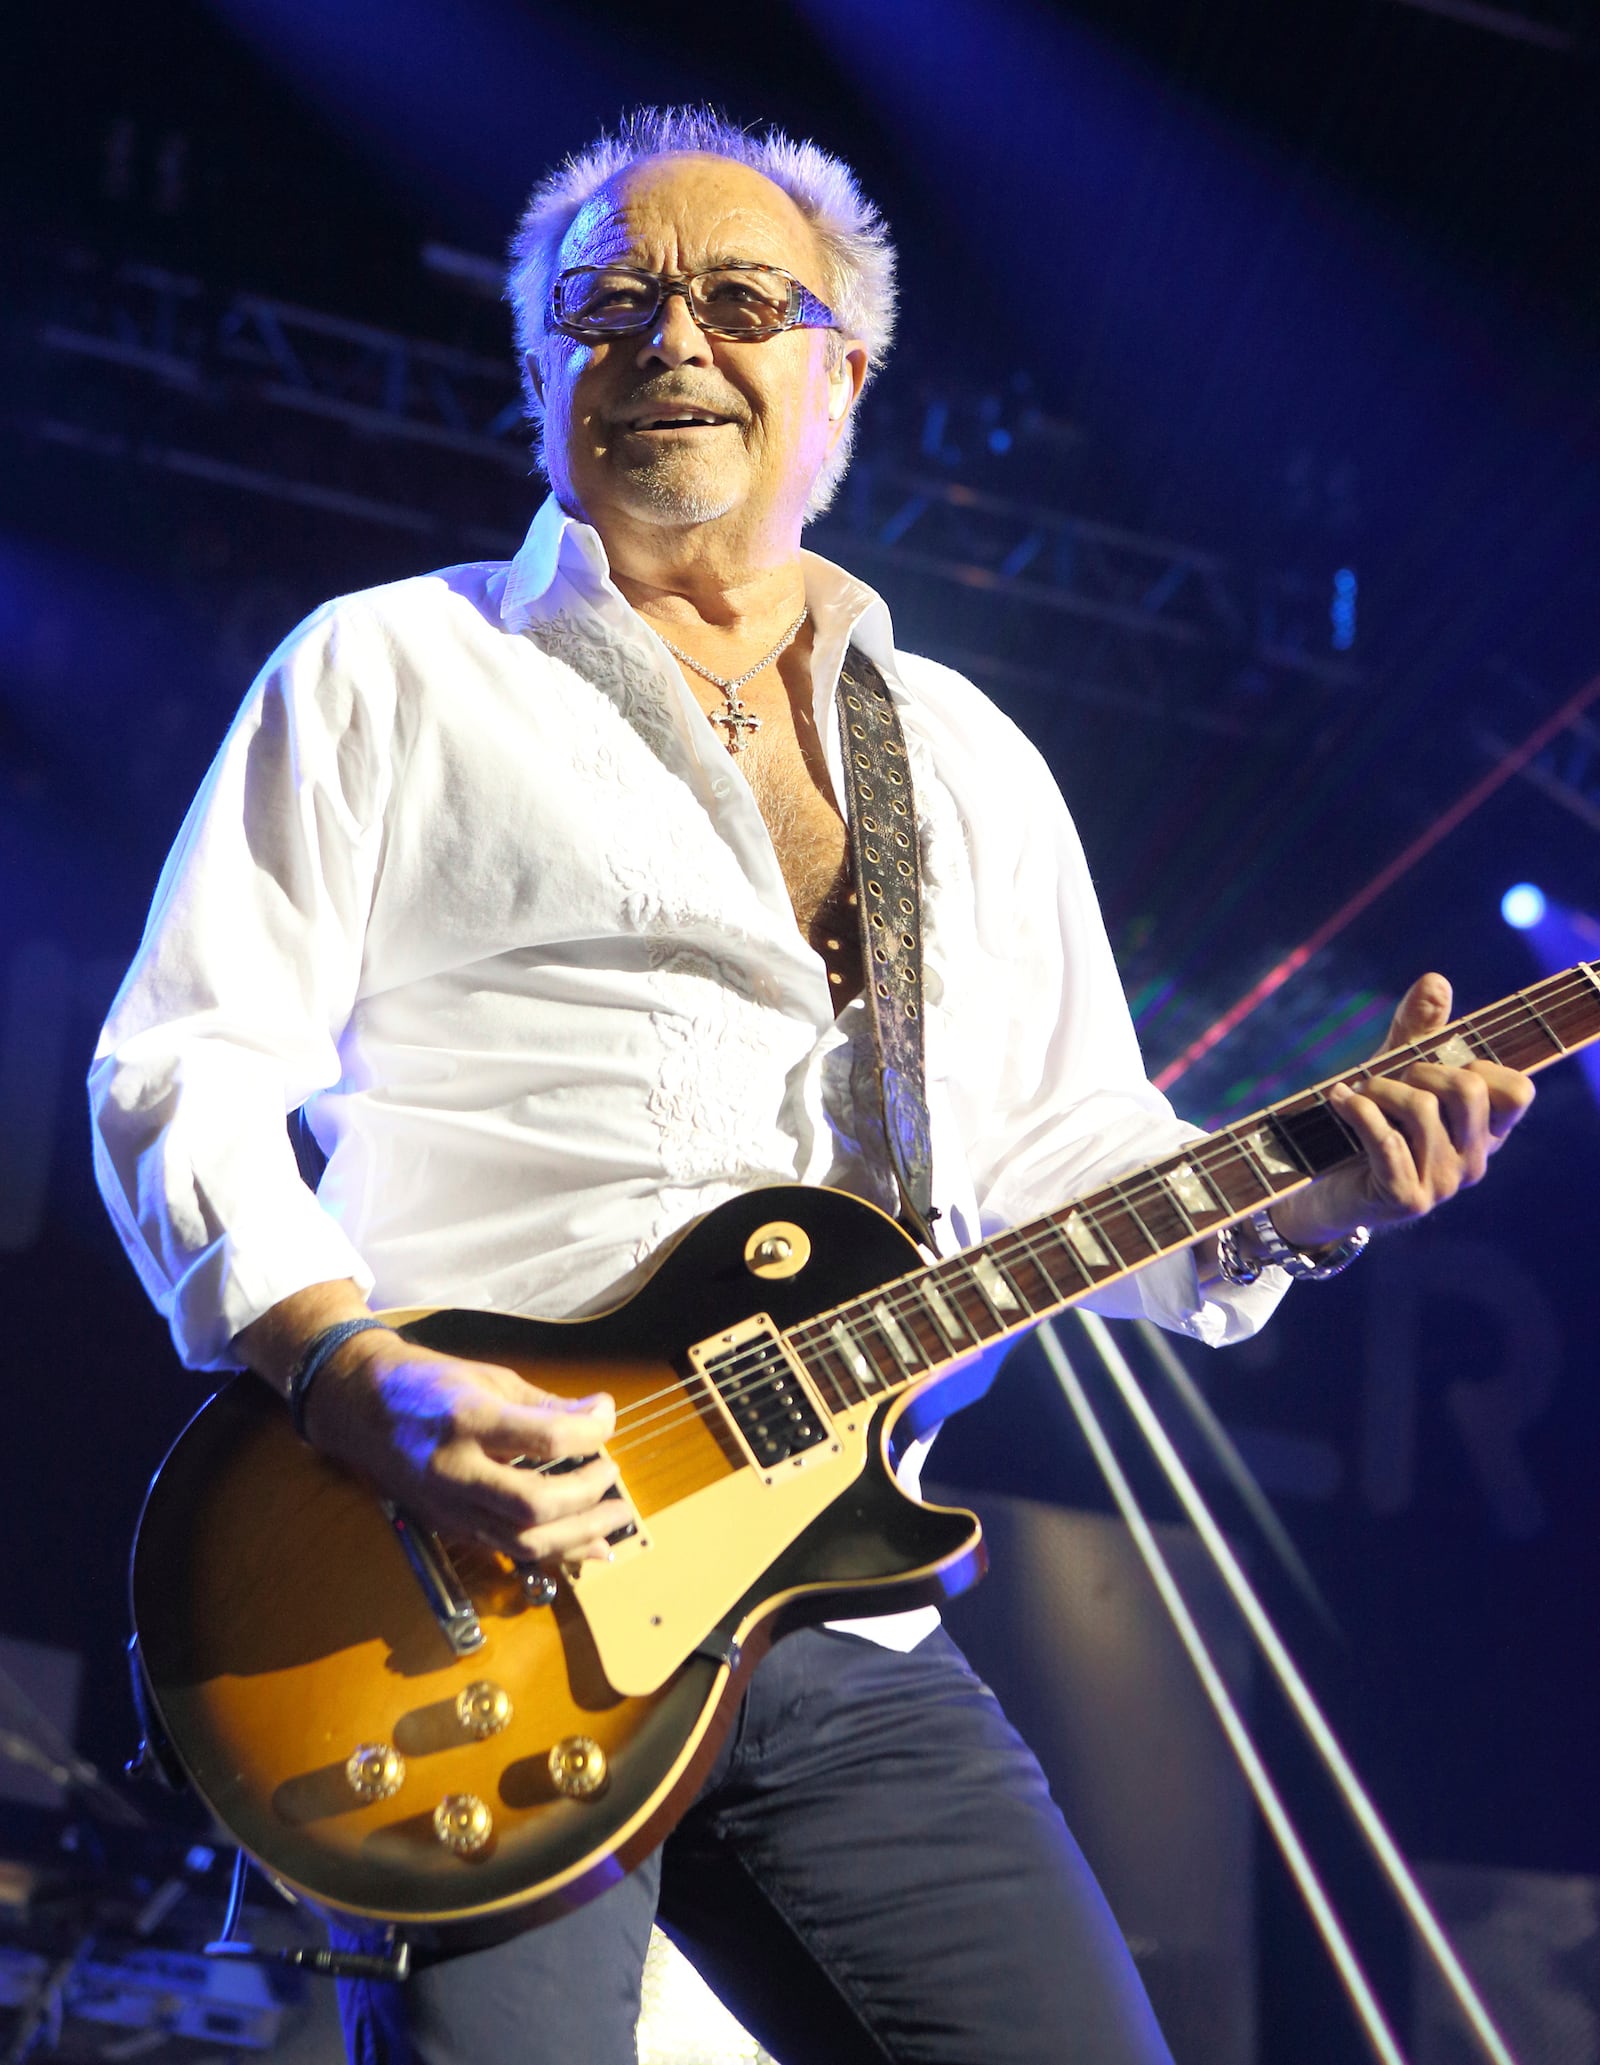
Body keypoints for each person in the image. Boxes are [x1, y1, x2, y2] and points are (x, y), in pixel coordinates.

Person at [90, 107, 1534, 2065]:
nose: (668, 343)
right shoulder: (391, 670)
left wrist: (1309, 1192)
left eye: (735, 302)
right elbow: (182, 1057)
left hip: (834, 1613)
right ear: (537, 375)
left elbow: (1070, 1156)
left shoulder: (968, 759)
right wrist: (348, 1360)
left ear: (839, 375)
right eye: (606, 310)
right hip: (467, 1575)